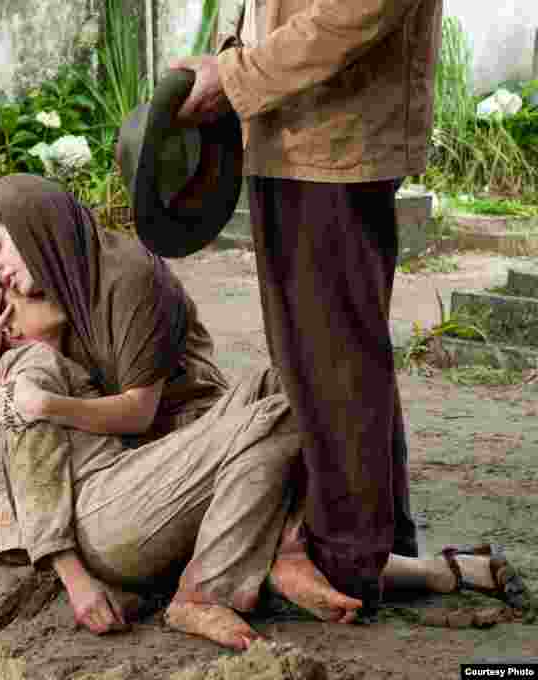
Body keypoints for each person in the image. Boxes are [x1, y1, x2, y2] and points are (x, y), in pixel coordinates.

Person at [0, 273, 529, 650]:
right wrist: (76, 584)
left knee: (278, 387)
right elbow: (33, 469)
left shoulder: (62, 355)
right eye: (20, 295)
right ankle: (209, 590)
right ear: (5, 325)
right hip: (112, 517)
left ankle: (320, 554)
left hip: (134, 501)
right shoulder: (28, 369)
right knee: (284, 412)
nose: (32, 285)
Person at [167, 0, 442, 609]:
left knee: (333, 354)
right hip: (295, 129)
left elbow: (359, 8)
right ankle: (374, 538)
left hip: (334, 138)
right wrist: (228, 61)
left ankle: (345, 558)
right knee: (325, 352)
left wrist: (234, 77)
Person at [0, 174, 231, 445]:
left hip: (193, 434)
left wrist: (46, 405)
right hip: (121, 448)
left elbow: (139, 414)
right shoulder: (56, 297)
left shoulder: (131, 278)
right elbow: (23, 413)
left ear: (32, 227)